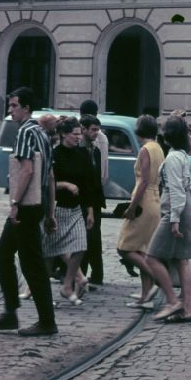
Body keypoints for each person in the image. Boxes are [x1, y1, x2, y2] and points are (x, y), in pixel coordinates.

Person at [0, 87, 58, 336]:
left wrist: (15, 202)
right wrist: (49, 213)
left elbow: (27, 171)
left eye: (14, 105)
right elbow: (48, 176)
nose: (10, 110)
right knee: (10, 256)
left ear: (26, 108)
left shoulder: (25, 132)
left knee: (27, 263)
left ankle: (44, 321)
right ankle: (11, 313)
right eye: (10, 105)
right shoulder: (43, 134)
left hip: (25, 207)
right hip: (36, 206)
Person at [144, 115, 191, 323]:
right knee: (181, 259)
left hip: (177, 210)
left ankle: (173, 301)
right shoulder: (182, 154)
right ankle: (187, 308)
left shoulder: (173, 158)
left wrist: (174, 220)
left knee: (152, 257)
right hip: (187, 207)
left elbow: (175, 190)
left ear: (167, 135)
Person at [43, 116, 97, 305]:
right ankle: (43, 294)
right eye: (74, 134)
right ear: (63, 134)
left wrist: (90, 210)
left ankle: (68, 285)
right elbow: (46, 184)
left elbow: (88, 184)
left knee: (80, 247)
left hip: (75, 209)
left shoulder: (82, 154)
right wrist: (65, 185)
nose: (78, 137)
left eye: (79, 134)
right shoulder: (54, 154)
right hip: (56, 209)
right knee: (50, 253)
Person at [116, 115, 165, 307]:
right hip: (155, 200)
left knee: (125, 247)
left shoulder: (145, 149)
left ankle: (156, 279)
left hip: (144, 200)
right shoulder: (159, 148)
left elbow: (143, 181)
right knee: (143, 249)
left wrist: (132, 207)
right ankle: (146, 295)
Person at [80, 113, 106, 287]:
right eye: (93, 130)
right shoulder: (79, 150)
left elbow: (96, 177)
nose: (96, 133)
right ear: (83, 129)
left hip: (95, 200)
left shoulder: (95, 150)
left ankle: (96, 274)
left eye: (97, 130)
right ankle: (79, 274)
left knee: (94, 239)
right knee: (83, 239)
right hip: (82, 200)